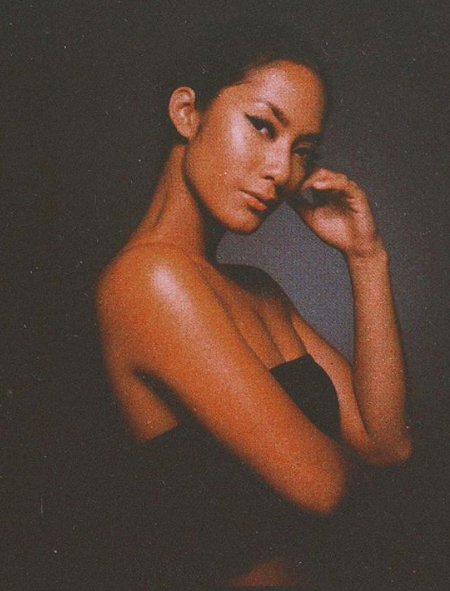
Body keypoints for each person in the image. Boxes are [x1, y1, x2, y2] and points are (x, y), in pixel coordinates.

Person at [96, 16, 412, 588]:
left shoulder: (258, 289)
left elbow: (386, 445)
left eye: (302, 150)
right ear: (187, 113)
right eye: (264, 127)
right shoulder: (149, 279)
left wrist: (366, 257)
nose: (281, 170)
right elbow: (323, 487)